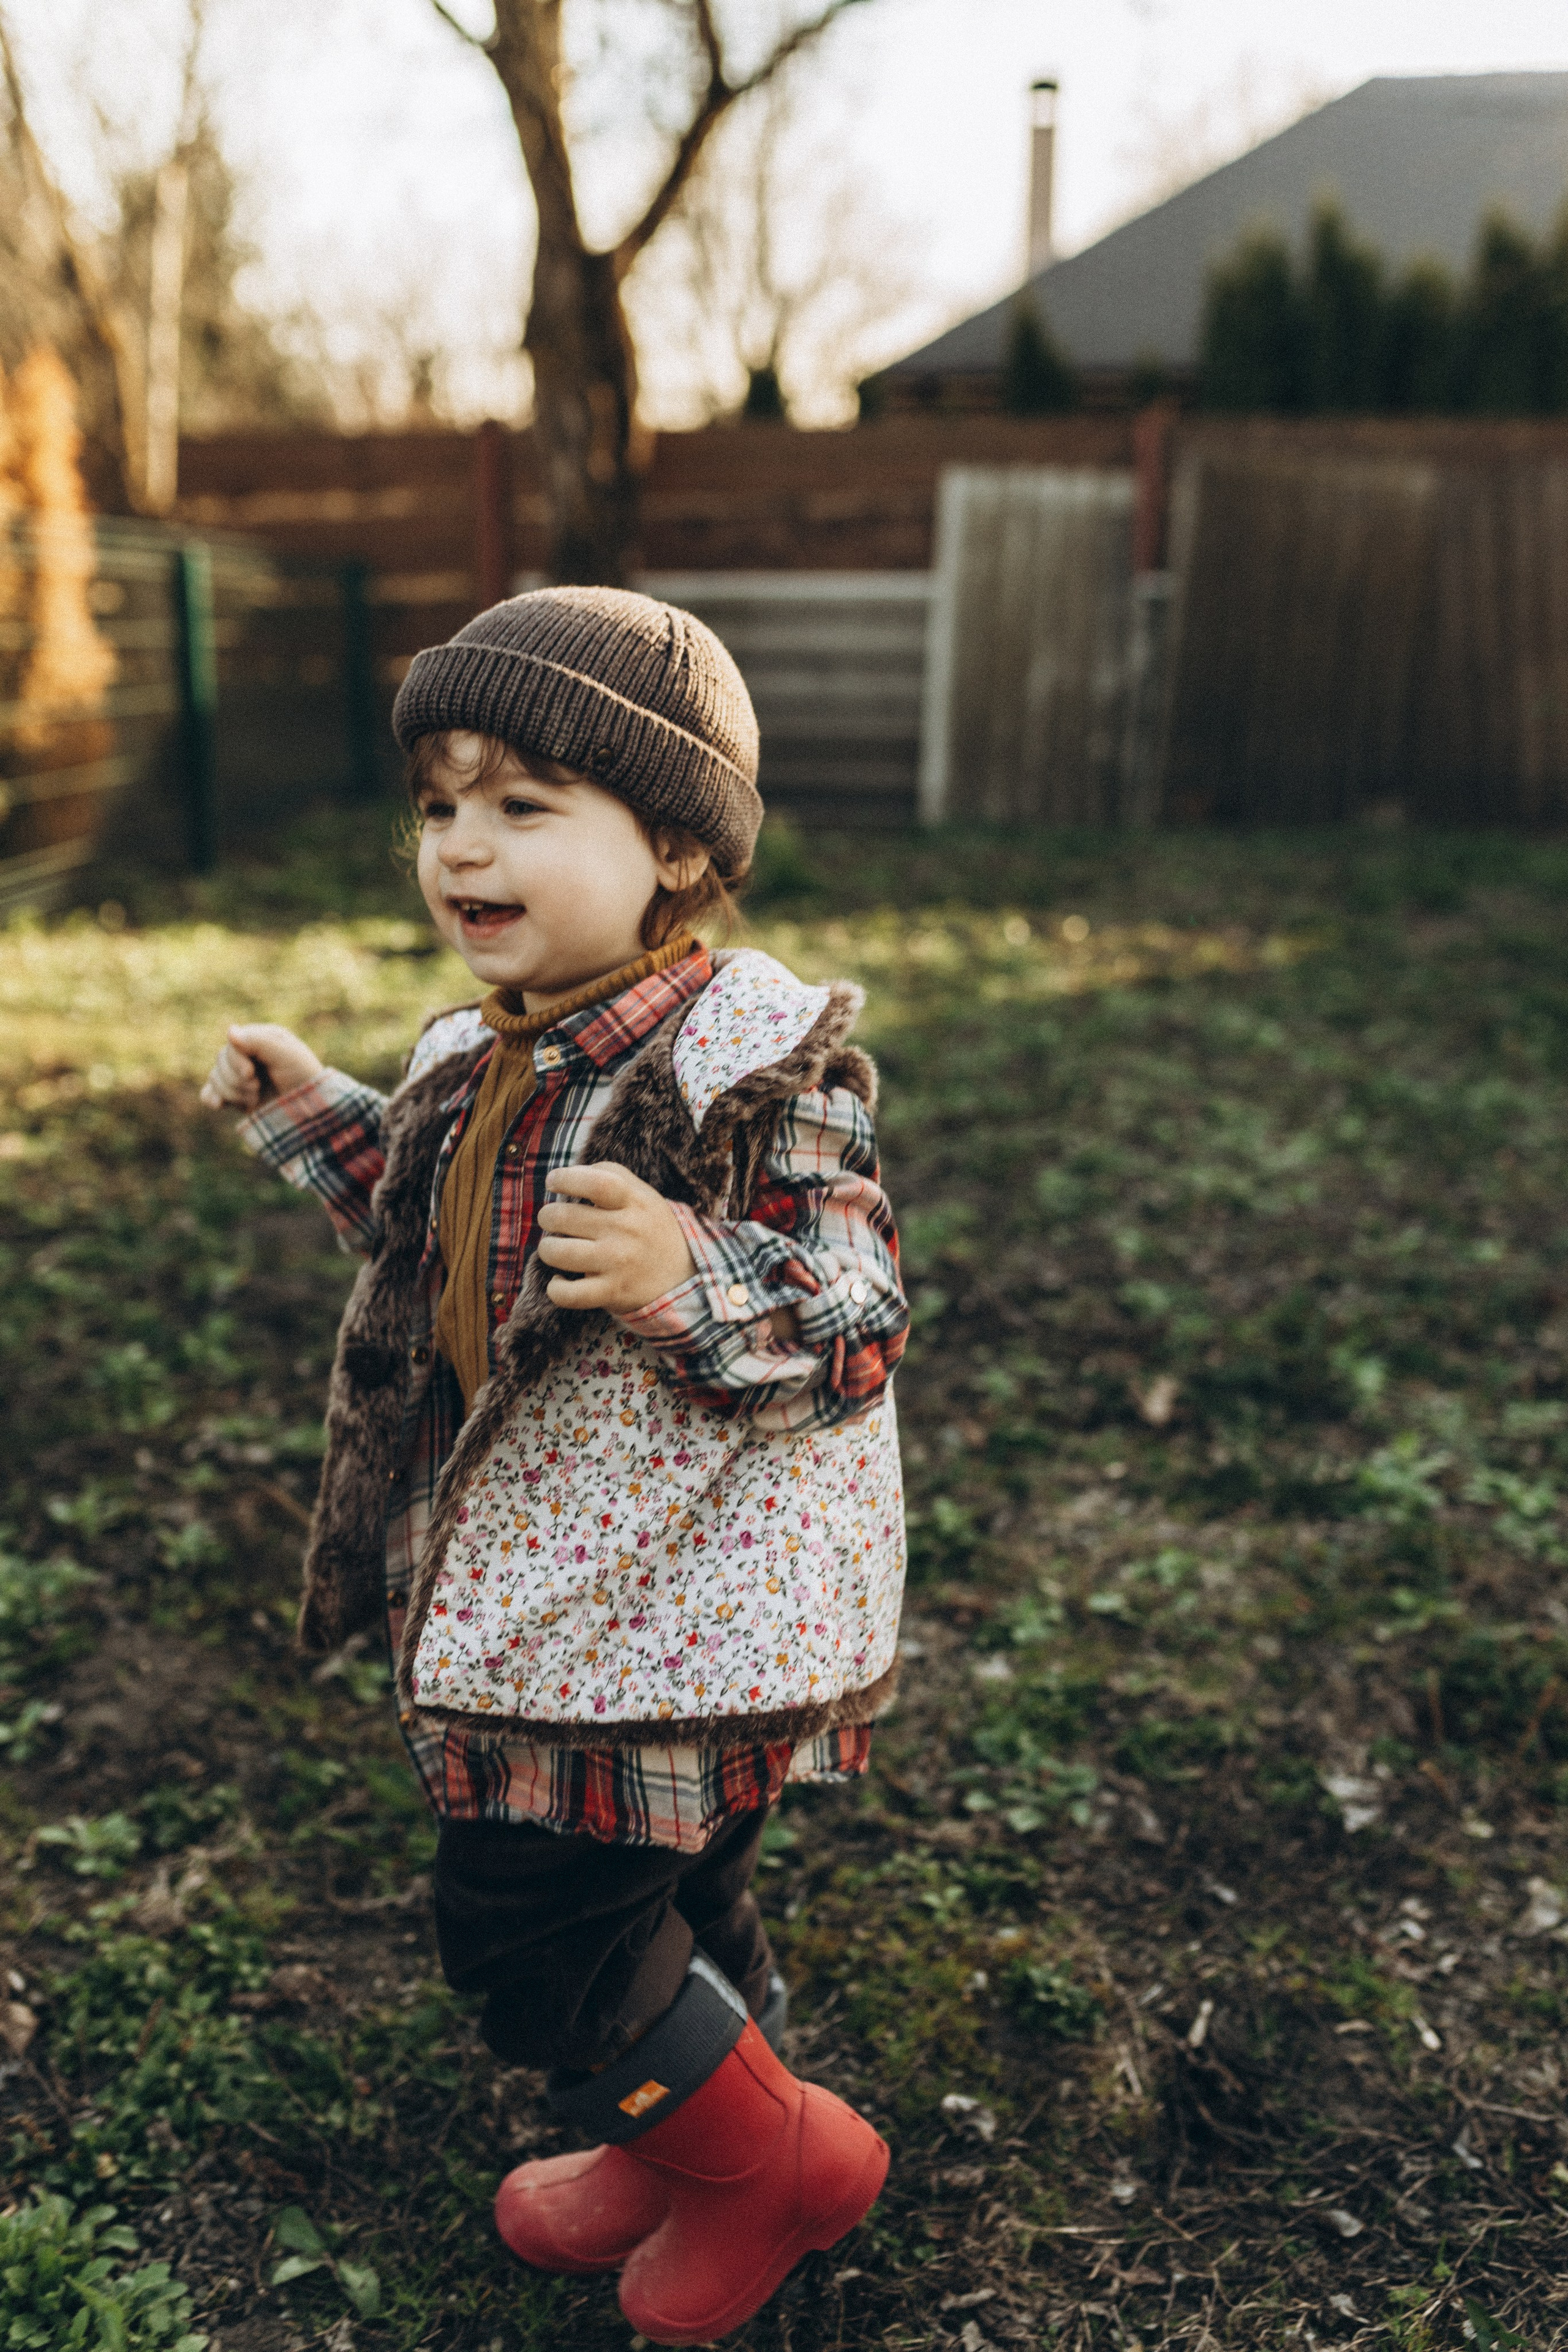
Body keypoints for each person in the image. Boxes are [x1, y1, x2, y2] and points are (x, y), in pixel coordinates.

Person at [200, 586, 910, 2345]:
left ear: (677, 847)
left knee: (533, 1932)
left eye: (523, 805)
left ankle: (770, 2166)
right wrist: (317, 1113)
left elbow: (857, 1313)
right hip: (568, 1594)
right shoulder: (478, 1052)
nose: (462, 847)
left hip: (681, 1598)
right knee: (671, 1894)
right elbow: (448, 1235)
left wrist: (686, 1268)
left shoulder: (757, 1065)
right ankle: (687, 2147)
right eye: (440, 805)